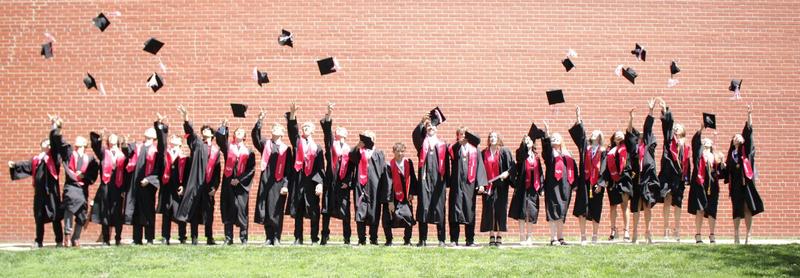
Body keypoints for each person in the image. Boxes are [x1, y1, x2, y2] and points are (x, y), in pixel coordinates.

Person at [8, 115, 65, 248]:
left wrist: (54, 126)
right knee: (39, 216)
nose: (46, 143)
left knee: (55, 215)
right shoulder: (36, 159)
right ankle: (38, 241)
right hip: (39, 192)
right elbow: (25, 166)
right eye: (44, 142)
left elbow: (55, 141)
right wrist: (14, 165)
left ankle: (59, 241)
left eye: (48, 142)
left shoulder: (54, 157)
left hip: (52, 191)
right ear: (40, 145)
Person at [175, 105, 221, 245]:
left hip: (208, 185)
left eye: (208, 130)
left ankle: (209, 237)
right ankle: (194, 237)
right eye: (204, 130)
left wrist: (214, 187)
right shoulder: (197, 143)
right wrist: (186, 118)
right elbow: (190, 132)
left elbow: (218, 171)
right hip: (196, 182)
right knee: (194, 211)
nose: (205, 131)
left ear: (212, 135)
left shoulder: (216, 150)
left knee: (209, 212)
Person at [123, 114, 167, 245]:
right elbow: (127, 153)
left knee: (148, 211)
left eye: (151, 132)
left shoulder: (156, 150)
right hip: (136, 184)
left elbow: (159, 168)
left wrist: (149, 179)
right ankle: (137, 238)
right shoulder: (138, 147)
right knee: (136, 210)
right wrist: (125, 144)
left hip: (148, 185)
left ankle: (149, 238)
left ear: (154, 137)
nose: (147, 132)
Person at [53, 125, 99, 247]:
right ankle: (67, 237)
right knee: (69, 209)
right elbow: (62, 144)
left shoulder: (90, 159)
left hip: (83, 189)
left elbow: (94, 174)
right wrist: (56, 128)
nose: (77, 143)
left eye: (80, 141)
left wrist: (85, 176)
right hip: (71, 187)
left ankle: (76, 238)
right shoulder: (70, 154)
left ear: (85, 145)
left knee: (82, 214)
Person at [252, 109, 293, 246]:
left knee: (276, 210)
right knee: (266, 209)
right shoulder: (266, 144)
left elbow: (289, 170)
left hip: (279, 183)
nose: (275, 129)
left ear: (282, 133)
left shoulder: (286, 150)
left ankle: (276, 237)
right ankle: (268, 237)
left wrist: (286, 185)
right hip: (266, 181)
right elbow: (256, 138)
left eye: (278, 128)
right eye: (273, 128)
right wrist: (260, 121)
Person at [287, 102, 325, 245]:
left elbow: (321, 167)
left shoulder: (318, 148)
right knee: (298, 211)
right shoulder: (298, 142)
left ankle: (314, 238)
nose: (304, 129)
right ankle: (298, 238)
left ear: (313, 130)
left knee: (314, 212)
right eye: (303, 127)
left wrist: (320, 184)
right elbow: (292, 130)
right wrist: (293, 115)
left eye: (307, 127)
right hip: (298, 181)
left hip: (312, 183)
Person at [724, 104, 763, 244]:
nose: (737, 138)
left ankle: (748, 235)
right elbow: (726, 171)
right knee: (736, 209)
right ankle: (736, 236)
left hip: (746, 184)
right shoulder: (731, 155)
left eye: (739, 137)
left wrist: (749, 115)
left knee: (747, 207)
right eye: (735, 137)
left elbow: (748, 132)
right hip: (735, 185)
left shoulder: (746, 152)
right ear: (732, 141)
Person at [569, 106, 606, 244]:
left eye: (596, 133)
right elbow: (581, 135)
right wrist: (579, 118)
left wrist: (601, 184)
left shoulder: (603, 151)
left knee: (596, 208)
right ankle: (583, 236)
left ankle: (595, 236)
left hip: (596, 183)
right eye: (592, 133)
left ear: (600, 136)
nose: (593, 134)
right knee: (582, 208)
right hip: (584, 183)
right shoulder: (586, 148)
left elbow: (604, 168)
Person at [216, 120, 257, 245]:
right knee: (228, 208)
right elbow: (220, 140)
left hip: (241, 185)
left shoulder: (249, 151)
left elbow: (251, 169)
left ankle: (244, 238)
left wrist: (239, 179)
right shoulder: (229, 148)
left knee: (241, 210)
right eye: (237, 131)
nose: (239, 133)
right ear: (233, 135)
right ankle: (228, 238)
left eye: (241, 132)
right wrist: (223, 127)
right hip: (228, 183)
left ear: (244, 136)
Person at [411, 114, 449, 247]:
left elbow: (448, 166)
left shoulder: (443, 145)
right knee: (423, 208)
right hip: (424, 181)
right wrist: (422, 121)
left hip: (439, 181)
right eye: (428, 126)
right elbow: (415, 134)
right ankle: (422, 239)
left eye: (432, 126)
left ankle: (441, 239)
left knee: (440, 209)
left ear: (437, 129)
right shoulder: (421, 144)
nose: (430, 127)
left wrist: (446, 182)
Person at [657, 98, 691, 242]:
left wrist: (686, 177)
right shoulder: (669, 141)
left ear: (683, 132)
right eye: (675, 127)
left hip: (679, 176)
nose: (676, 128)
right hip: (667, 174)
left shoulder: (686, 146)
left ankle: (677, 230)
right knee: (666, 200)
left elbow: (688, 163)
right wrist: (665, 111)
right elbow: (667, 126)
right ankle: (665, 230)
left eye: (679, 127)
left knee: (677, 202)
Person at [347, 130, 388, 245]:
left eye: (371, 138)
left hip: (375, 186)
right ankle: (361, 239)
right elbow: (351, 157)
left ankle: (373, 238)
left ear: (374, 139)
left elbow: (382, 171)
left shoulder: (379, 153)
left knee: (374, 211)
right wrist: (357, 146)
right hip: (360, 186)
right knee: (360, 210)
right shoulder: (359, 152)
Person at [448, 127, 487, 247]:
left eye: (465, 134)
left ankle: (469, 240)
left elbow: (480, 167)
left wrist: (481, 184)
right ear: (457, 136)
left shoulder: (475, 150)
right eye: (460, 134)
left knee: (470, 212)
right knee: (454, 212)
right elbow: (452, 151)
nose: (463, 136)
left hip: (470, 186)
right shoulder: (454, 148)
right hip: (456, 186)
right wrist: (458, 143)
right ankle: (454, 240)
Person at [320, 102, 353, 245]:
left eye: (342, 130)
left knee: (345, 212)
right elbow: (327, 133)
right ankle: (324, 237)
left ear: (346, 134)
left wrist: (349, 182)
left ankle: (347, 238)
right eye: (337, 130)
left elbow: (353, 169)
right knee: (326, 211)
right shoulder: (331, 146)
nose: (340, 131)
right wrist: (329, 114)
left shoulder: (350, 150)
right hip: (330, 183)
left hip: (342, 185)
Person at [688, 122, 726, 244]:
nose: (706, 142)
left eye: (708, 141)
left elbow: (721, 174)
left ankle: (712, 235)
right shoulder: (698, 155)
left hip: (713, 186)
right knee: (700, 209)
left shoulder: (715, 157)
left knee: (712, 210)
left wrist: (722, 165)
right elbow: (695, 143)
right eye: (704, 141)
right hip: (700, 185)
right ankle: (698, 235)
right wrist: (701, 129)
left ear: (712, 145)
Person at [629, 99, 660, 244]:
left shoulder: (649, 147)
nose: (641, 137)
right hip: (637, 179)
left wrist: (651, 111)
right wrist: (631, 119)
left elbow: (648, 128)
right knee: (636, 206)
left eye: (643, 136)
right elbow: (629, 134)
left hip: (648, 178)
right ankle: (634, 232)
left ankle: (648, 232)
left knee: (647, 205)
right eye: (639, 136)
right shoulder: (634, 149)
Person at [89, 129, 128, 246]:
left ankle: (118, 238)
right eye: (110, 138)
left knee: (117, 212)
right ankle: (106, 239)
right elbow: (96, 147)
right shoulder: (104, 153)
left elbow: (127, 172)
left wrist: (124, 190)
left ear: (118, 141)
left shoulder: (123, 154)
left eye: (114, 138)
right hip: (106, 186)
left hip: (118, 186)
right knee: (105, 211)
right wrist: (99, 139)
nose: (112, 140)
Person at [541, 121, 577, 245]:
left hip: (566, 186)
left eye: (557, 138)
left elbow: (574, 169)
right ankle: (553, 238)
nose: (554, 139)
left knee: (562, 211)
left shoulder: (568, 154)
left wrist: (575, 184)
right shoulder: (550, 154)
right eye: (553, 138)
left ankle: (561, 237)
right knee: (553, 210)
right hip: (553, 186)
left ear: (562, 140)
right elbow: (546, 150)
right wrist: (547, 134)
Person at [479, 131, 513, 246]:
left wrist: (507, 173)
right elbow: (480, 170)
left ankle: (499, 235)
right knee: (489, 210)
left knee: (500, 210)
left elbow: (512, 167)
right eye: (490, 137)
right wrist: (481, 184)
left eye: (494, 137)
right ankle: (491, 235)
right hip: (488, 185)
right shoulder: (484, 153)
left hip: (501, 186)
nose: (492, 138)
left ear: (498, 138)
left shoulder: (504, 152)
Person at [508, 134, 543, 245]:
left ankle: (529, 237)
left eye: (529, 140)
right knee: (522, 212)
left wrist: (541, 187)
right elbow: (520, 159)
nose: (527, 141)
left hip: (533, 187)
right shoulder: (521, 154)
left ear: (533, 143)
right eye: (525, 140)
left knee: (531, 212)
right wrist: (524, 147)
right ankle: (522, 236)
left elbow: (540, 172)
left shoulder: (536, 156)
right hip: (523, 187)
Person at [158, 133, 190, 245]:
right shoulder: (165, 156)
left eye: (176, 138)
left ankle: (182, 237)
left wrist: (184, 187)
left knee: (180, 213)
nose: (173, 139)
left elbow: (188, 175)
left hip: (178, 189)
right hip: (167, 187)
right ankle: (165, 237)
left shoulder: (185, 158)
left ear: (181, 143)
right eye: (172, 137)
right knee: (166, 212)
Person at [605, 124, 635, 241]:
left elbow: (630, 133)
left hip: (624, 179)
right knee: (613, 206)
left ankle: (626, 231)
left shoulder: (627, 147)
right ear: (613, 138)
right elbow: (605, 167)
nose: (618, 135)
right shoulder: (609, 150)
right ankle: (613, 230)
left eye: (620, 134)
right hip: (613, 181)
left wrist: (630, 119)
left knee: (625, 206)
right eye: (616, 134)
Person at [384, 142, 417, 246]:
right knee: (388, 218)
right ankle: (389, 240)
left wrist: (411, 192)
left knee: (408, 217)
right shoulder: (389, 165)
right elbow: (388, 184)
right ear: (393, 152)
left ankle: (407, 240)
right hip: (393, 196)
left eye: (402, 151)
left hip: (405, 195)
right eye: (397, 151)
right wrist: (390, 201)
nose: (400, 153)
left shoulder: (408, 163)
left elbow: (413, 179)